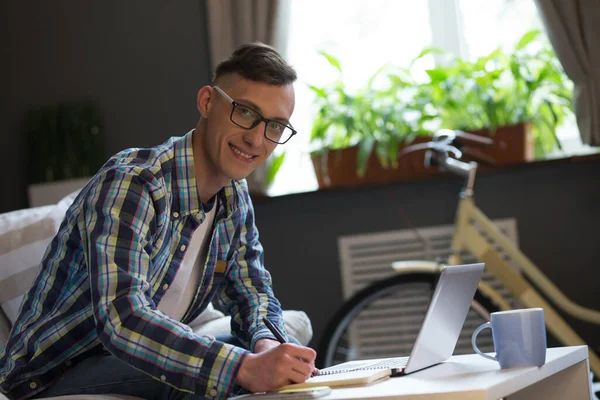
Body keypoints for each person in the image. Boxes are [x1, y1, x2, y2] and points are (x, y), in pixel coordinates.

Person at [0, 42, 317, 400]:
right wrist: (242, 368)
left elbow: (252, 292)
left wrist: (266, 347)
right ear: (208, 102)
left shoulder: (235, 197)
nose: (257, 138)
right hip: (57, 371)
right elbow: (123, 318)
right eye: (245, 112)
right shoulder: (134, 183)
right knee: (206, 379)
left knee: (285, 358)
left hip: (135, 359)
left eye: (275, 126)